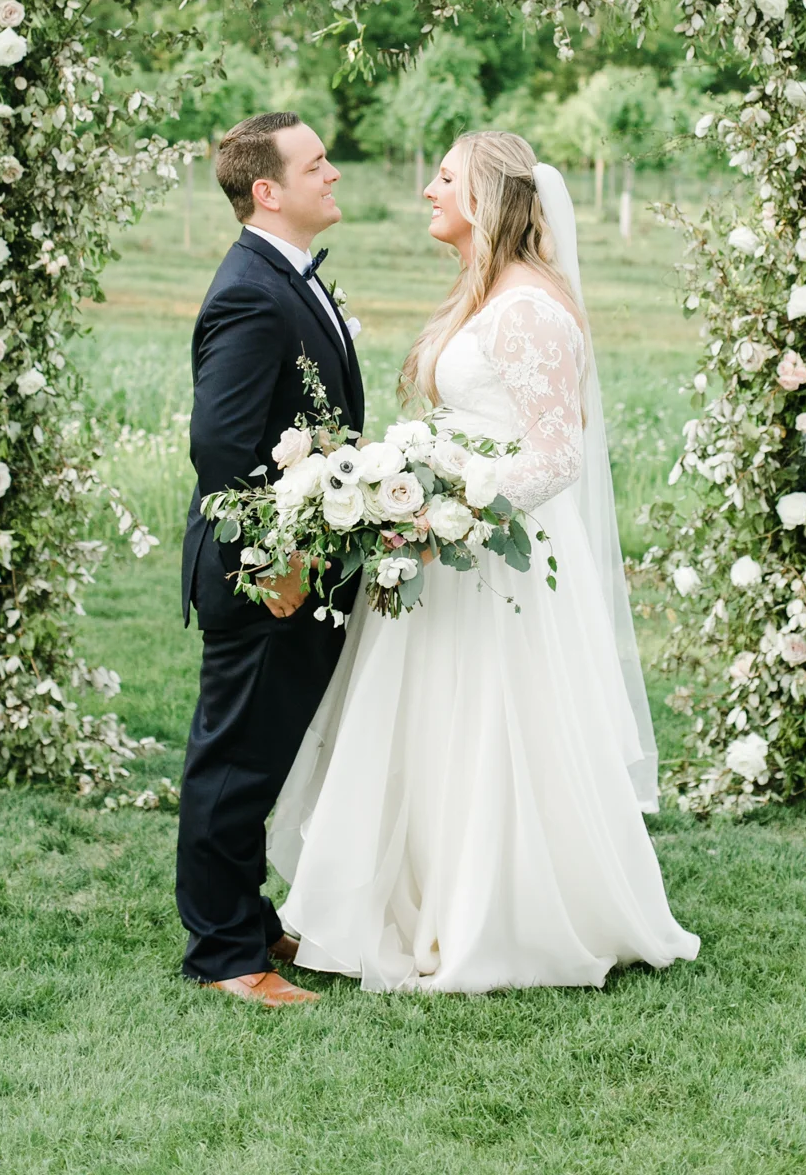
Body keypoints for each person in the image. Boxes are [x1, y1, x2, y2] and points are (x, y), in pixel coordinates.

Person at [271, 130, 699, 992]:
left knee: (496, 728)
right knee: (433, 726)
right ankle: (417, 902)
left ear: (488, 198)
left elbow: (555, 456)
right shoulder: (486, 294)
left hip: (498, 557)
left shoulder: (531, 308)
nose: (429, 189)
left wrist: (454, 502)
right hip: (448, 544)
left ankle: (499, 917)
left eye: (444, 177)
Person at [176, 111, 364, 1007]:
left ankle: (247, 920)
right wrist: (274, 559)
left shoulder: (286, 275)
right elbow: (220, 447)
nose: (332, 173)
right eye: (316, 163)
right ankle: (224, 955)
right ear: (268, 190)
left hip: (297, 563)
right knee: (234, 759)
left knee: (264, 752)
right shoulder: (250, 290)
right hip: (265, 575)